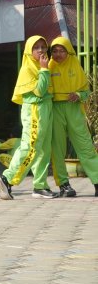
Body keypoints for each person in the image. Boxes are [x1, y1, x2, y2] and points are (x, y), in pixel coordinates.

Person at [0, 36, 56, 200]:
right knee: (30, 146)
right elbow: (40, 91)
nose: (41, 50)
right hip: (35, 109)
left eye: (44, 46)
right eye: (37, 48)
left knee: (44, 149)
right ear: (29, 51)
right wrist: (44, 69)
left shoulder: (43, 66)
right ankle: (7, 179)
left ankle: (40, 185)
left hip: (46, 108)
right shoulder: (28, 68)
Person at [47, 36, 98, 197]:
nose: (58, 54)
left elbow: (86, 91)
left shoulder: (76, 66)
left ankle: (97, 181)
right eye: (54, 51)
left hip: (74, 110)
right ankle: (64, 184)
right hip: (55, 109)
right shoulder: (48, 66)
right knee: (58, 149)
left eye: (62, 51)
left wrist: (78, 95)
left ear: (69, 51)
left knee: (85, 146)